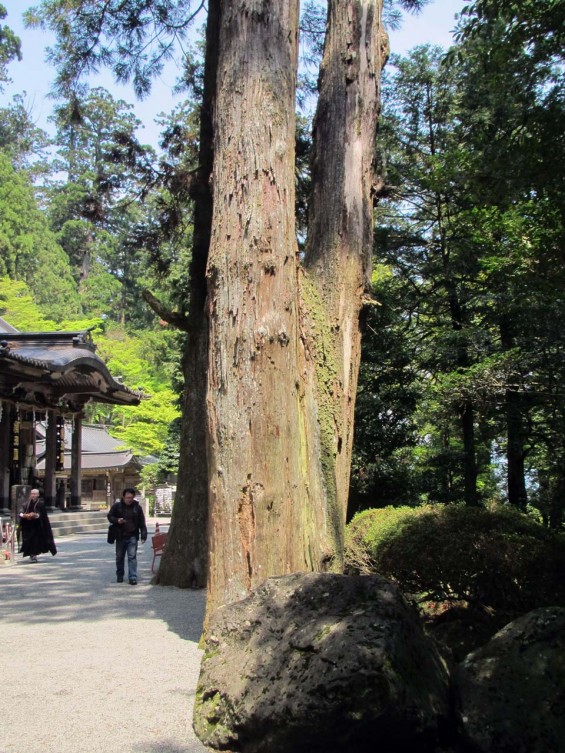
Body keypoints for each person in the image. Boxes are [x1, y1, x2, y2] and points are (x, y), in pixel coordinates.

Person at [107, 488, 147, 584]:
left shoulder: (137, 508)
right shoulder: (117, 506)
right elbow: (110, 516)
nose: (129, 499)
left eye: (131, 498)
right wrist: (117, 520)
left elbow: (142, 522)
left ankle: (132, 577)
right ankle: (120, 575)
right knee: (119, 557)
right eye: (127, 497)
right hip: (120, 535)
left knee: (132, 557)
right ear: (123, 497)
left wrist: (143, 534)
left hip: (132, 535)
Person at [19, 488, 57, 562]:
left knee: (35, 541)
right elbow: (21, 512)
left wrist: (35, 515)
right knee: (28, 541)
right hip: (28, 526)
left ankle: (33, 555)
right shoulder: (26, 504)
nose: (33, 495)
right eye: (32, 494)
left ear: (38, 495)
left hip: (37, 526)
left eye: (34, 494)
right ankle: (31, 554)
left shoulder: (40, 504)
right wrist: (24, 515)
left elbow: (42, 515)